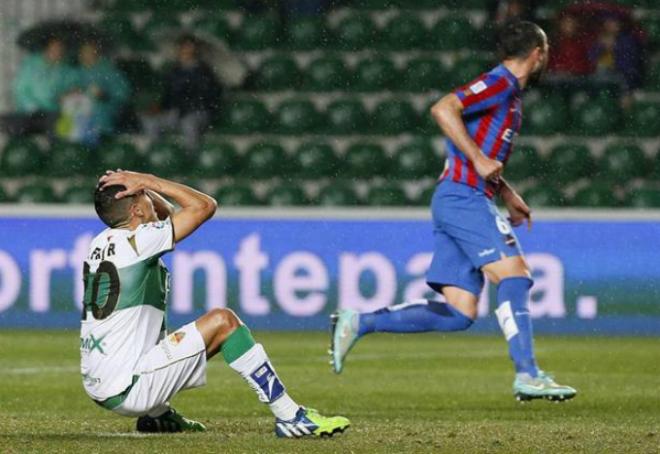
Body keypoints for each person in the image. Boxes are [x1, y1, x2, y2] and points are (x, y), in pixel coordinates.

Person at [330, 21, 577, 403]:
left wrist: (506, 192)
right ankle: (528, 374)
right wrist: (479, 161)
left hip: (463, 197)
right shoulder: (500, 83)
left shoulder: (509, 95)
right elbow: (444, 108)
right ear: (538, 53)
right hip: (464, 198)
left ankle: (361, 321)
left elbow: (477, 149)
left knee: (460, 311)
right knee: (515, 276)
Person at [82, 170, 350, 437]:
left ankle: (157, 417)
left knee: (171, 340)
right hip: (129, 389)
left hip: (101, 382)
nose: (151, 199)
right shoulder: (140, 242)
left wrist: (139, 191)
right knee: (224, 322)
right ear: (137, 211)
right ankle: (290, 416)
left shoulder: (101, 243)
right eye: (145, 197)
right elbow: (204, 206)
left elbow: (164, 215)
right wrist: (148, 180)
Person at [141, 35, 222, 151]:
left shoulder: (204, 71)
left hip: (197, 112)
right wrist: (159, 107)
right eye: (183, 48)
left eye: (189, 48)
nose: (186, 51)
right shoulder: (174, 71)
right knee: (150, 122)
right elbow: (169, 95)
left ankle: (191, 158)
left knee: (188, 124)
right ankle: (160, 153)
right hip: (177, 112)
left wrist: (188, 105)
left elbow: (208, 97)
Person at [3, 37, 78, 136]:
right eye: (54, 48)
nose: (57, 52)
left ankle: (57, 149)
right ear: (46, 48)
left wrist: (67, 95)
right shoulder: (31, 64)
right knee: (13, 125)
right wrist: (33, 107)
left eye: (60, 49)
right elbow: (20, 89)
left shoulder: (65, 68)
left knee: (62, 126)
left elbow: (72, 87)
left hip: (55, 111)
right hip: (30, 111)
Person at [74, 39, 130, 141]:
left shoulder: (107, 70)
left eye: (89, 51)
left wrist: (105, 95)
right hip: (77, 120)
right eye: (83, 52)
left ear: (96, 53)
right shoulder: (76, 71)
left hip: (102, 119)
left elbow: (123, 92)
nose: (86, 55)